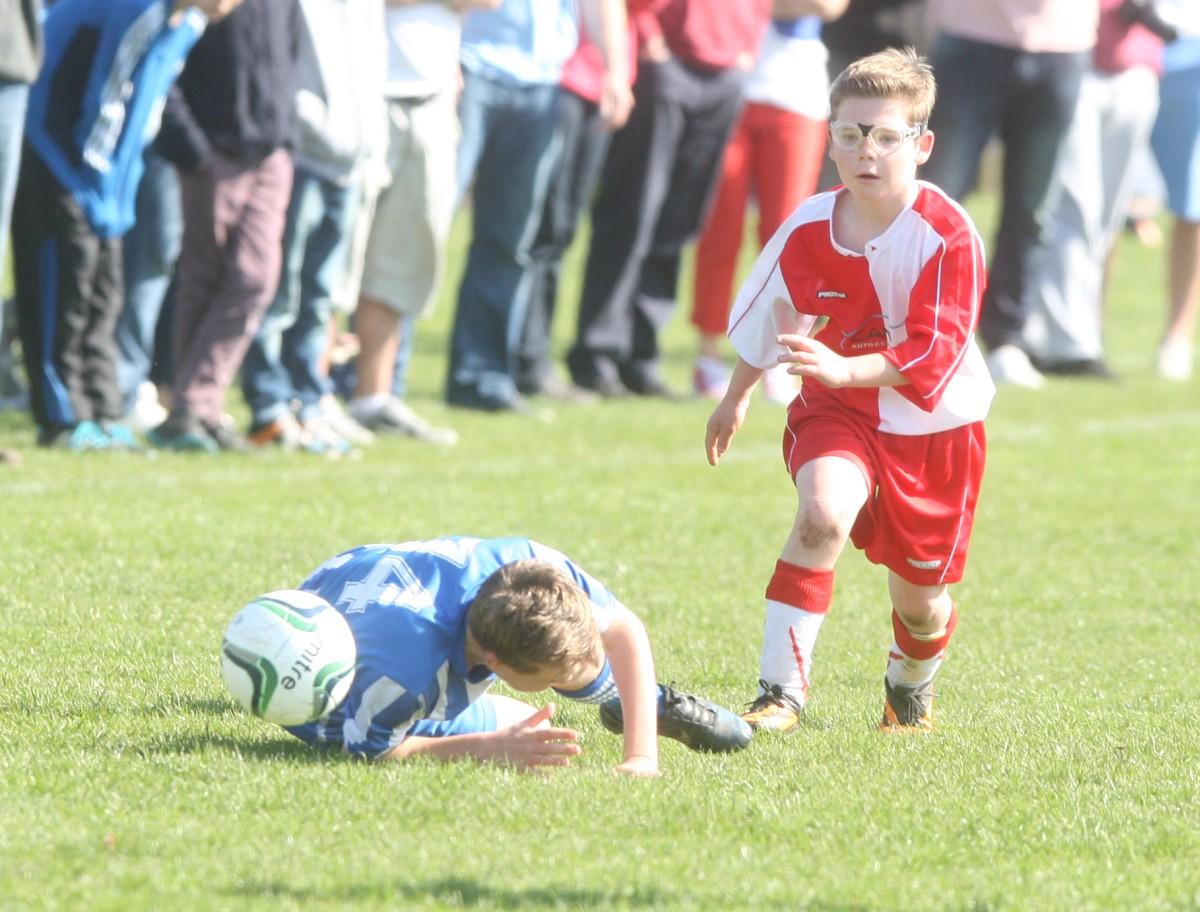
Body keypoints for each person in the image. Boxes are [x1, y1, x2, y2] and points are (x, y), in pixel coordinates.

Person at [704, 49, 994, 733]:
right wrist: (737, 394)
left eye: (887, 137)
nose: (867, 152)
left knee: (923, 601)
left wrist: (841, 365)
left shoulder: (949, 234)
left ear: (921, 146)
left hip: (936, 428)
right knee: (821, 518)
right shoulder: (808, 224)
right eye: (850, 134)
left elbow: (933, 351)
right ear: (831, 138)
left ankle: (909, 684)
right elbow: (767, 310)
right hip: (837, 411)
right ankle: (780, 694)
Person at [274, 536, 752, 771]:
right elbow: (371, 749)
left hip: (344, 574)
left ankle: (635, 702)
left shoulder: (527, 565)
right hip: (312, 649)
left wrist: (641, 756)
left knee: (573, 687)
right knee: (533, 730)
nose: (561, 682)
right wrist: (486, 750)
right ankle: (623, 699)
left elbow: (624, 628)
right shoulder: (406, 678)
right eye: (549, 676)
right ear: (495, 666)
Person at [12, 0, 242, 450]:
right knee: (64, 292)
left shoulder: (188, 22)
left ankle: (102, 409)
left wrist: (118, 192)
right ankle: (61, 417)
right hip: (55, 155)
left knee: (104, 293)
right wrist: (89, 184)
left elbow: (144, 110)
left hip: (105, 175)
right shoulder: (139, 8)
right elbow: (101, 94)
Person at [446, 0, 633, 413]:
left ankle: (482, 378)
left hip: (541, 82)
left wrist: (616, 71)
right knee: (425, 226)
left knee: (510, 242)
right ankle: (372, 382)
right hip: (469, 67)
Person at [151, 0, 303, 452]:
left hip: (270, 153)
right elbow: (166, 62)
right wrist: (194, 150)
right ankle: (198, 410)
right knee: (205, 279)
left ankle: (193, 403)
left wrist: (286, 140)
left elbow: (291, 60)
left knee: (255, 279)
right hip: (213, 153)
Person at [922, 0, 1098, 389]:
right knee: (936, 204)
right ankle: (927, 329)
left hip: (1063, 42)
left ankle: (1007, 339)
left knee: (1033, 208)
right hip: (970, 33)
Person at [239, 0, 386, 456]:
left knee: (321, 294)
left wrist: (363, 145)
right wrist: (326, 131)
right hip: (303, 157)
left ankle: (307, 399)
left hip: (349, 164)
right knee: (280, 293)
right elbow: (280, 67)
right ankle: (269, 403)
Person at [689, 0, 848, 404]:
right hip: (728, 87)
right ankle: (707, 355)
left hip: (796, 95)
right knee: (719, 230)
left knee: (788, 237)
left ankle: (781, 358)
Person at [1019, 0, 1169, 379]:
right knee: (1075, 205)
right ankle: (1065, 344)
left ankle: (1070, 331)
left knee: (1107, 216)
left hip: (1138, 61)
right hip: (1075, 57)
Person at [1148, 1, 1200, 381]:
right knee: (1103, 207)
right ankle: (1085, 333)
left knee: (1192, 204)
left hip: (1191, 47)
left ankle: (1178, 337)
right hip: (1120, 46)